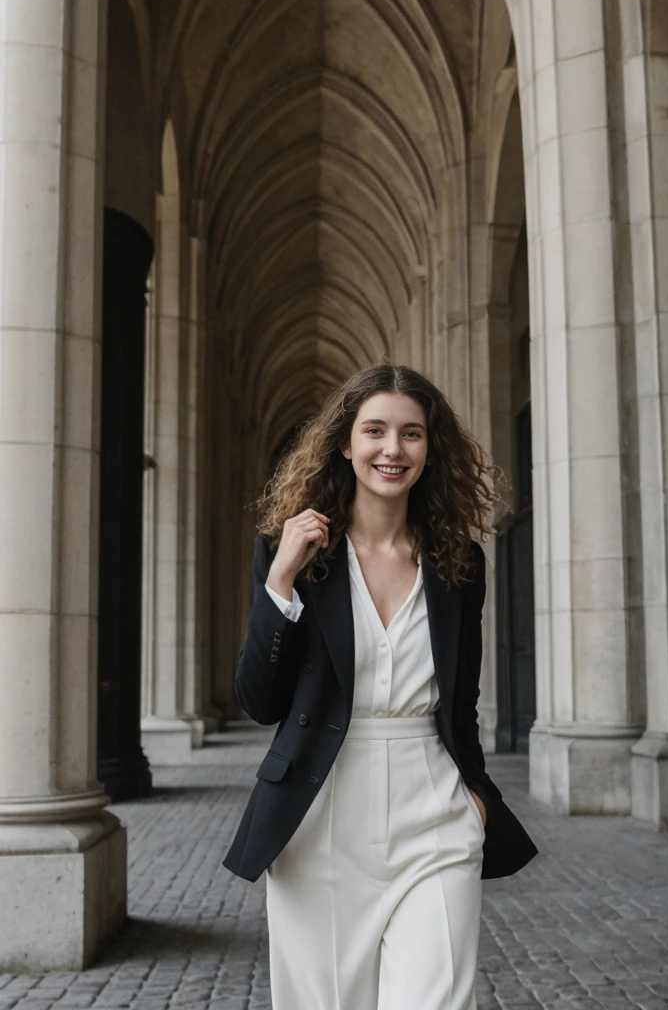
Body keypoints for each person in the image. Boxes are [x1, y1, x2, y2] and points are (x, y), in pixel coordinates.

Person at [223, 363, 537, 1010]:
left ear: (430, 448)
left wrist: (473, 794)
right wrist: (279, 584)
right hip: (321, 815)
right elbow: (258, 701)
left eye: (411, 434)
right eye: (375, 431)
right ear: (345, 442)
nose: (392, 449)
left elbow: (462, 700)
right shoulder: (296, 554)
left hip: (435, 812)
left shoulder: (459, 561)